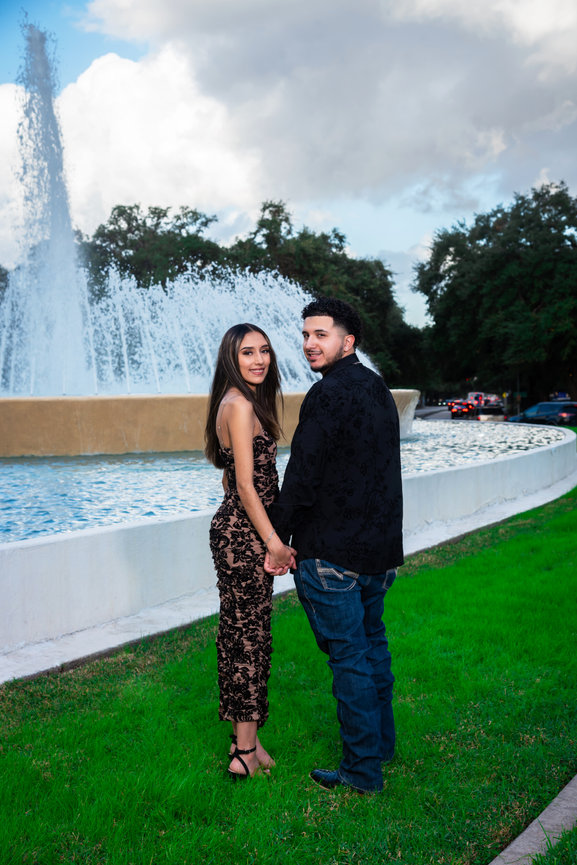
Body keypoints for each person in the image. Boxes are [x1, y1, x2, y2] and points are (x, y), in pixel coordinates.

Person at [266, 297, 404, 794]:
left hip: (333, 555)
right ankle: (381, 746)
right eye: (305, 335)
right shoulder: (377, 389)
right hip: (378, 553)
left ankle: (362, 771)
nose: (308, 345)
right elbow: (386, 474)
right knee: (371, 648)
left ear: (349, 341)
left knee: (349, 659)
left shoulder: (327, 396)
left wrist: (276, 542)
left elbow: (301, 477)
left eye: (320, 335)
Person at [205, 323, 296, 781]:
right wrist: (275, 543)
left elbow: (233, 478)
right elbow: (244, 486)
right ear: (231, 359)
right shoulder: (239, 406)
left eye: (264, 351)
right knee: (246, 639)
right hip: (244, 539)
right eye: (247, 353)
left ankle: (251, 741)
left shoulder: (239, 403)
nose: (259, 360)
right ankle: (242, 753)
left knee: (250, 636)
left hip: (240, 533)